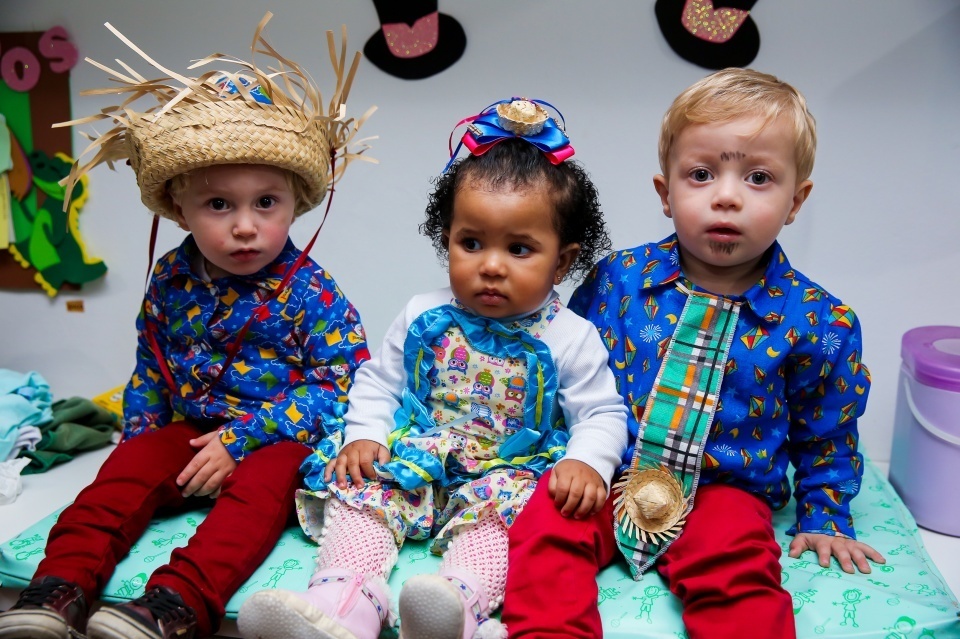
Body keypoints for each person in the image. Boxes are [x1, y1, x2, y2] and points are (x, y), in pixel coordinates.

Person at [0, 14, 372, 639]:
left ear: (293, 205)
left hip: (280, 438)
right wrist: (141, 444)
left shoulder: (310, 290)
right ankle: (57, 586)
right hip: (192, 431)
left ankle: (176, 602)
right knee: (122, 475)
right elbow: (152, 363)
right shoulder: (172, 277)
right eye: (218, 204)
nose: (245, 226)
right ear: (180, 207)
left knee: (261, 491)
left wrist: (242, 440)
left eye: (266, 203)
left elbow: (341, 384)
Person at [501, 68, 885, 639]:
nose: (726, 196)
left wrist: (825, 515)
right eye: (701, 174)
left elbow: (826, 429)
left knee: (739, 571)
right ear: (666, 193)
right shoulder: (618, 281)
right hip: (609, 470)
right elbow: (566, 372)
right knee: (546, 527)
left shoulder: (819, 321)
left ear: (796, 200)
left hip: (723, 493)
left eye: (758, 178)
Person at [236, 98, 629, 639]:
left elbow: (601, 413)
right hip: (421, 454)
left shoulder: (569, 335)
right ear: (447, 242)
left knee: (499, 524)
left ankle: (454, 608)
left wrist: (587, 462)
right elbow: (379, 381)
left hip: (505, 470)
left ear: (561, 261)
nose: (491, 265)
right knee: (363, 497)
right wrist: (366, 435)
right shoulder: (425, 314)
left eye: (519, 249)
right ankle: (341, 603)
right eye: (471, 243)